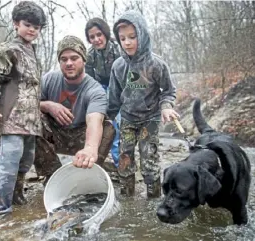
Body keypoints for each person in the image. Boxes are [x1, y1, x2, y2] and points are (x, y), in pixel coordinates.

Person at [0, 1, 47, 215]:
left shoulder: (33, 52)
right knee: (8, 163)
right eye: (27, 24)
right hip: (12, 117)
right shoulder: (8, 49)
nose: (32, 30)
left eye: (37, 27)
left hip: (31, 120)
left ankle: (16, 196)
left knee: (26, 161)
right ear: (15, 24)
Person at [108, 10, 179, 198]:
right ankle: (127, 196)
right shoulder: (118, 66)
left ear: (143, 35)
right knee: (125, 157)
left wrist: (166, 106)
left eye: (132, 37)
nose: (127, 42)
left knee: (149, 157)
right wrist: (106, 118)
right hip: (128, 118)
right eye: (122, 39)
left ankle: (154, 199)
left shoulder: (156, 64)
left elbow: (169, 91)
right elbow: (114, 98)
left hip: (151, 118)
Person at [33, 35, 115, 184]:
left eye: (74, 58)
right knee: (32, 116)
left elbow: (94, 120)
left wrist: (90, 147)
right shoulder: (49, 79)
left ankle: (88, 173)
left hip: (80, 137)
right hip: (55, 134)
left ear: (83, 60)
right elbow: (27, 103)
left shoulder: (95, 89)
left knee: (108, 127)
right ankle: (52, 175)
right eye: (64, 59)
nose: (69, 63)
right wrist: (48, 105)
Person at [84, 17, 121, 170]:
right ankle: (95, 160)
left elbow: (126, 74)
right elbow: (90, 81)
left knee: (118, 126)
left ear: (105, 33)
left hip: (119, 88)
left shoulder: (117, 49)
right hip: (101, 89)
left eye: (99, 34)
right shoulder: (90, 54)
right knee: (103, 124)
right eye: (92, 37)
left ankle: (121, 165)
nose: (96, 39)